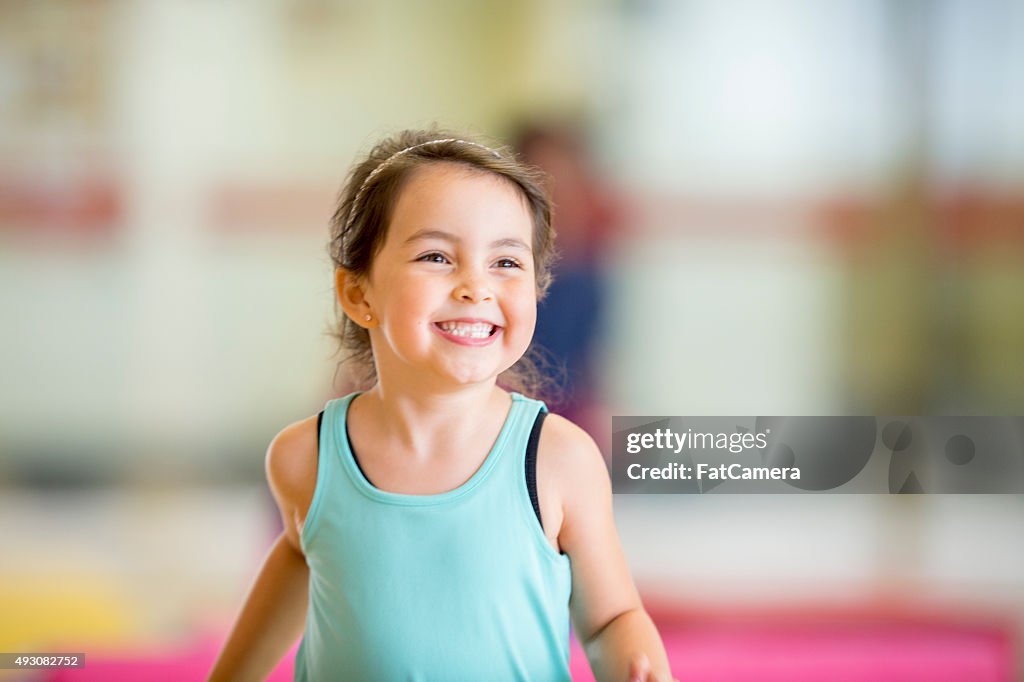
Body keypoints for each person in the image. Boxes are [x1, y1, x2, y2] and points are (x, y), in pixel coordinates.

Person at [208, 130, 675, 682]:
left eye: (506, 263)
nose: (476, 286)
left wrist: (638, 663)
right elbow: (301, 561)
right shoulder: (305, 458)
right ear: (359, 295)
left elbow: (610, 618)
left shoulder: (558, 461)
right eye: (437, 256)